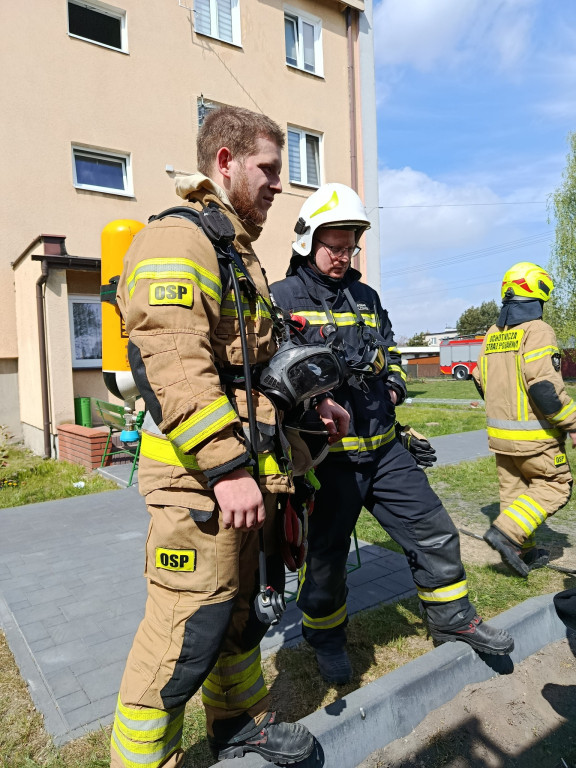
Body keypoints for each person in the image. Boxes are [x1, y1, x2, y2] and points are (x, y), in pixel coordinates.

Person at [111, 107, 348, 767]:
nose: (280, 184)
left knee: (238, 618)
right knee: (184, 636)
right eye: (270, 169)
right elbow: (176, 363)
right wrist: (226, 467)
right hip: (200, 486)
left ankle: (234, 724)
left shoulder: (232, 247)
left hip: (244, 480)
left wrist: (311, 409)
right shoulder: (177, 241)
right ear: (226, 162)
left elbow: (250, 365)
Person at [270, 183, 514, 685]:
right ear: (307, 241)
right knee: (326, 560)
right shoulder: (281, 298)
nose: (342, 257)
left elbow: (392, 355)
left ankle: (453, 622)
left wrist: (397, 387)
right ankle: (326, 640)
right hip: (326, 463)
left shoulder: (367, 297)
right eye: (333, 246)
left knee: (436, 532)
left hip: (384, 453)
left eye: (350, 247)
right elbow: (277, 375)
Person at [472, 262, 576, 577]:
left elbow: (479, 379)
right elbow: (545, 389)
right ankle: (505, 533)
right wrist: (572, 423)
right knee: (556, 486)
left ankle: (523, 552)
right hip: (535, 439)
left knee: (515, 493)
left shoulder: (493, 334)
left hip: (500, 439)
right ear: (538, 295)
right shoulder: (538, 330)